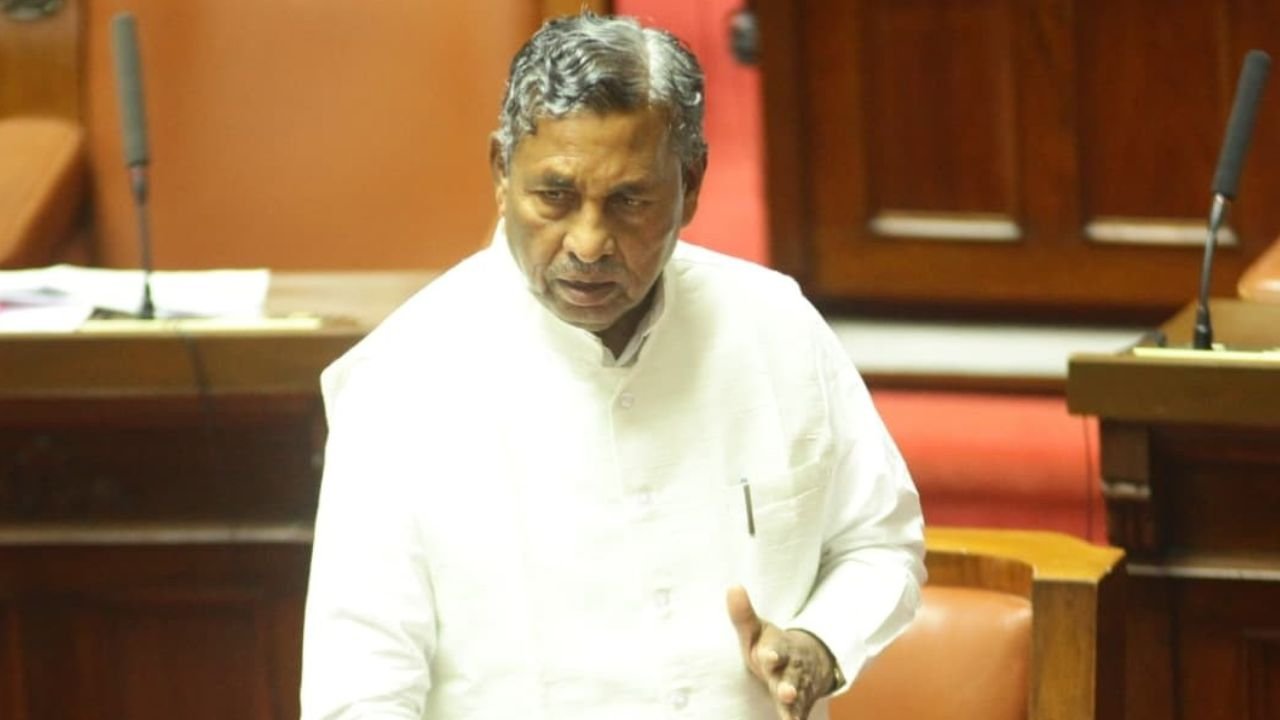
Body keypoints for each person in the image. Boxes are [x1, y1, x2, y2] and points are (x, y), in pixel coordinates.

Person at [300, 12, 924, 720]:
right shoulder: (398, 383)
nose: (589, 243)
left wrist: (821, 642)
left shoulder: (775, 326)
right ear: (501, 172)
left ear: (691, 184)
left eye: (629, 201)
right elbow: (359, 693)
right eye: (555, 197)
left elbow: (880, 541)